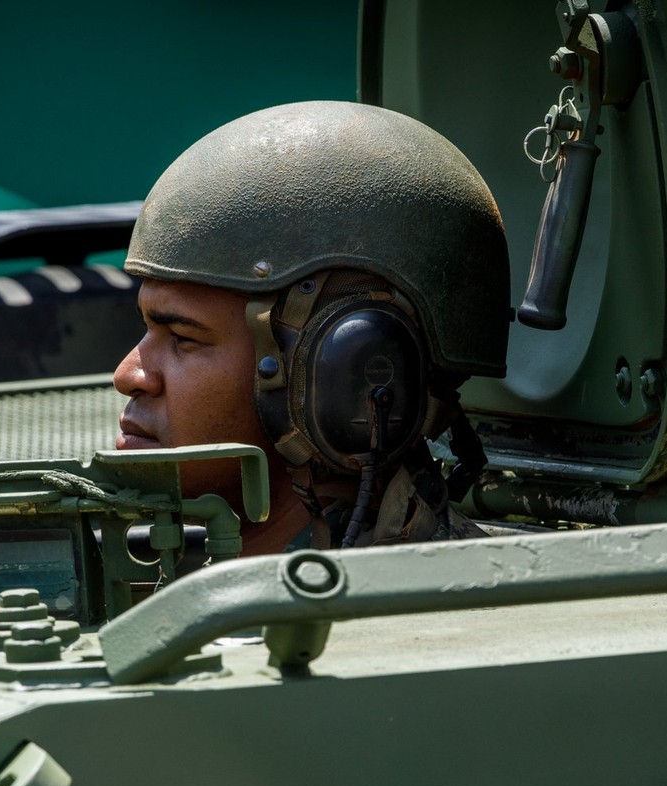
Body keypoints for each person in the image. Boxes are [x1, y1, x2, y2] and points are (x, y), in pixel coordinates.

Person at [113, 100, 510, 555]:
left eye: (183, 337)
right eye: (147, 329)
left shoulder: (414, 612)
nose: (128, 375)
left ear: (348, 373)